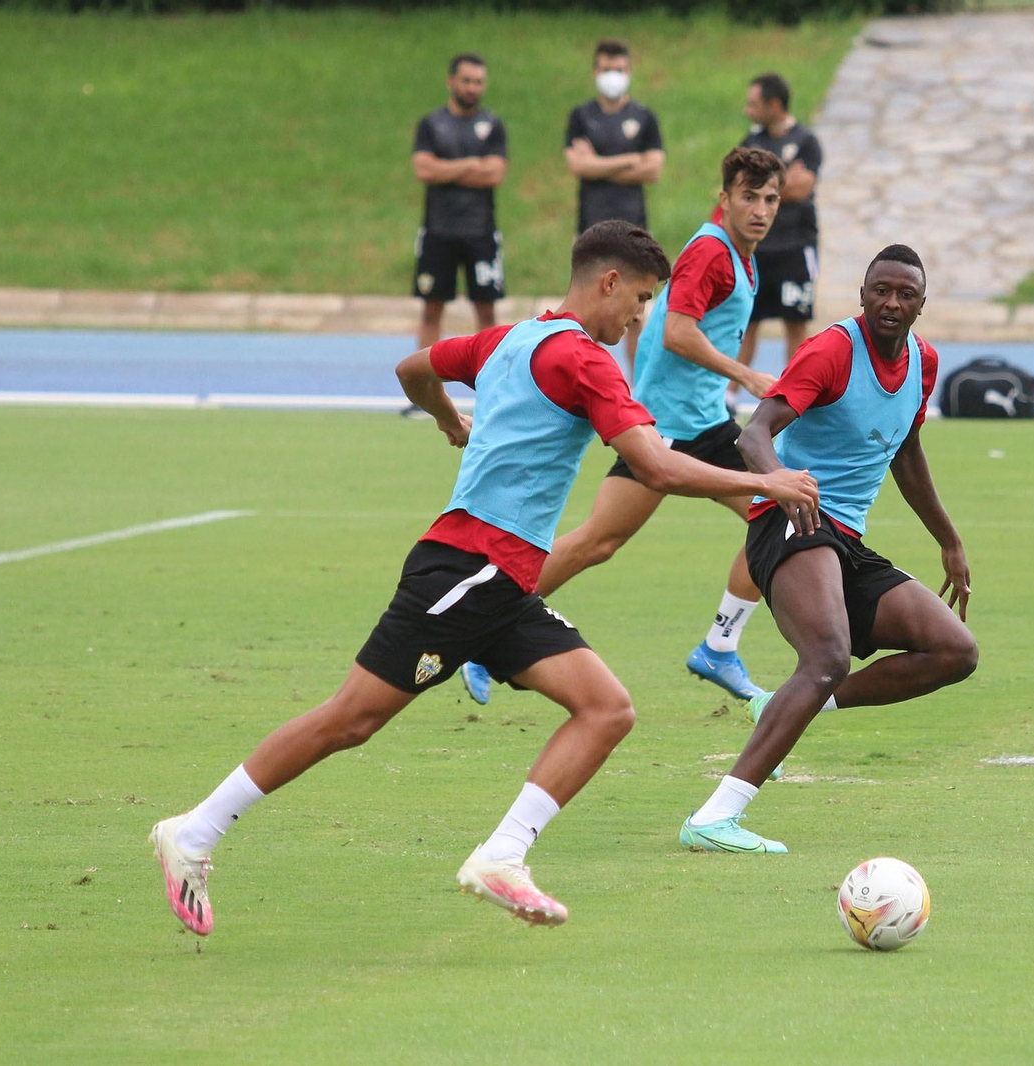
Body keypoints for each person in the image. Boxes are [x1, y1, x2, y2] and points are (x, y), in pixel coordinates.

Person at [148, 221, 820, 935]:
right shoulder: (587, 362)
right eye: (642, 299)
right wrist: (767, 480)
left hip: (505, 583)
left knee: (606, 709)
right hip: (467, 571)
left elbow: (413, 368)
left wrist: (449, 421)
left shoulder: (510, 337)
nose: (640, 318)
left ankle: (502, 857)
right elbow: (653, 464)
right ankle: (193, 831)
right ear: (608, 282)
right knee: (352, 718)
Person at [459, 147, 785, 708]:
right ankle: (482, 631)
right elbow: (678, 332)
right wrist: (746, 375)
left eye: (771, 199)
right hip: (672, 428)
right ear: (724, 196)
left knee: (769, 522)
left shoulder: (741, 254)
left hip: (701, 421)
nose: (760, 209)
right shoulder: (711, 252)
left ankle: (719, 648)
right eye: (748, 196)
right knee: (604, 540)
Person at [679, 245, 979, 855]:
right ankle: (714, 817)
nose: (891, 303)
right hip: (789, 521)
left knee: (954, 650)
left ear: (922, 305)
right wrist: (780, 484)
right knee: (826, 657)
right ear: (863, 295)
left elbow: (906, 453)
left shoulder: (923, 362)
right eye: (880, 291)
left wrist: (948, 540)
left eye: (905, 294)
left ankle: (786, 706)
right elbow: (753, 434)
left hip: (845, 540)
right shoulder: (833, 351)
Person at [564, 39, 665, 371]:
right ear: (595, 71)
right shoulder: (581, 116)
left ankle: (638, 394)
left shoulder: (644, 117)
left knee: (636, 310)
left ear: (629, 72)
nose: (613, 76)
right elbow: (579, 166)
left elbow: (653, 169)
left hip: (634, 229)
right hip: (592, 229)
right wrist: (630, 160)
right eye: (607, 69)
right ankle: (581, 382)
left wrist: (600, 164)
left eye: (619, 70)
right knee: (588, 308)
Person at [411, 53, 509, 362]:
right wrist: (469, 165)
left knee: (486, 309)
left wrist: (446, 170)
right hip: (438, 230)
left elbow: (494, 173)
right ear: (451, 81)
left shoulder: (492, 125)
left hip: (480, 231)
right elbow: (424, 170)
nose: (472, 88)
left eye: (478, 82)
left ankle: (490, 387)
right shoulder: (431, 124)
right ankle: (424, 388)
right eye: (466, 81)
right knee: (431, 308)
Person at [731, 72, 824, 388]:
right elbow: (740, 185)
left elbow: (802, 189)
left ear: (774, 104)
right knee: (747, 322)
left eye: (753, 104)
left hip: (796, 247)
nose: (748, 110)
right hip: (756, 249)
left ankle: (795, 392)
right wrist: (785, 177)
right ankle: (728, 396)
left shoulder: (807, 142)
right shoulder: (751, 141)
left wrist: (766, 180)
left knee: (796, 323)